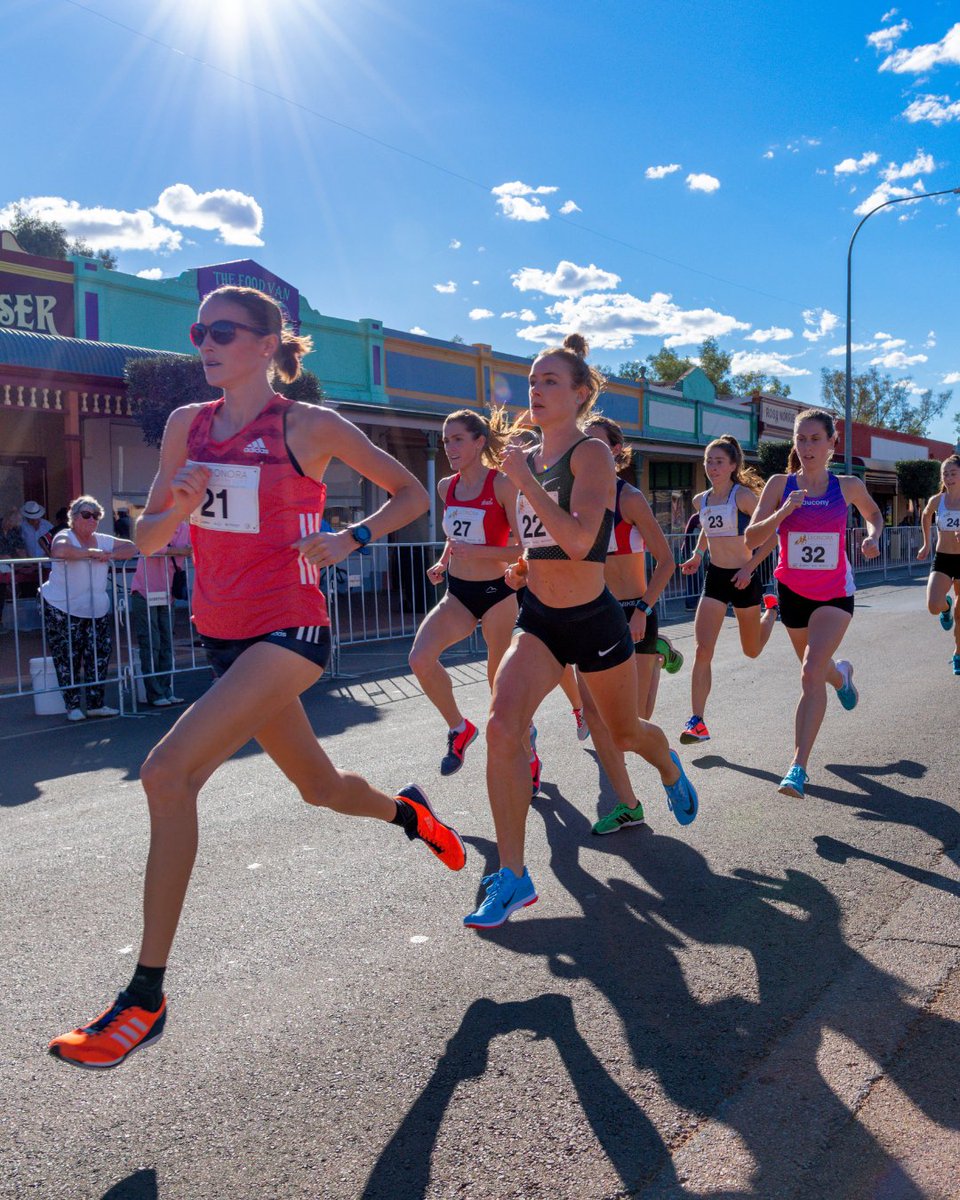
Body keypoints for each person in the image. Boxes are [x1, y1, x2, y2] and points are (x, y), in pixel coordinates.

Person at [49, 285, 465, 1070]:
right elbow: (147, 540)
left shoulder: (308, 425)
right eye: (199, 331)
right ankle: (412, 815)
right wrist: (175, 505)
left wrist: (353, 535)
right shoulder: (186, 425)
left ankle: (144, 997)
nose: (205, 343)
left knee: (167, 774)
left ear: (271, 342)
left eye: (224, 331)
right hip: (221, 634)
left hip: (291, 628)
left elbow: (413, 493)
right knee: (321, 788)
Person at [463, 334, 698, 929]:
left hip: (595, 619)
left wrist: (523, 478)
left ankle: (666, 761)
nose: (536, 390)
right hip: (539, 622)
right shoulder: (529, 463)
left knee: (621, 732)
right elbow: (542, 543)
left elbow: (577, 539)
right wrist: (520, 563)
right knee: (500, 727)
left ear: (580, 395)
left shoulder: (589, 456)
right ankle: (513, 875)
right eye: (533, 380)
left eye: (550, 382)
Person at [745, 408, 883, 798]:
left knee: (808, 672)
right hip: (793, 594)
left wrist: (873, 536)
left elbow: (873, 513)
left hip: (835, 594)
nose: (806, 446)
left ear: (831, 444)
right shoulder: (778, 484)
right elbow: (751, 539)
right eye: (800, 439)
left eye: (814, 439)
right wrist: (785, 510)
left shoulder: (848, 485)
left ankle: (797, 767)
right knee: (819, 670)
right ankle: (842, 676)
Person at [579, 413, 683, 835]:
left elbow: (667, 560)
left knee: (631, 724)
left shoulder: (630, 499)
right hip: (589, 614)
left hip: (633, 612)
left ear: (616, 451)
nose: (585, 452)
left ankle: (658, 651)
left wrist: (642, 609)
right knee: (593, 713)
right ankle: (628, 805)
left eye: (596, 444)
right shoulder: (573, 499)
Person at [409, 408, 527, 777]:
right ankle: (460, 729)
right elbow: (454, 533)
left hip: (497, 593)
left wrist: (482, 553)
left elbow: (526, 549)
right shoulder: (447, 486)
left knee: (499, 689)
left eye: (458, 439)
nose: (450, 446)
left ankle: (528, 752)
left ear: (479, 442)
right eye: (446, 440)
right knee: (419, 659)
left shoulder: (503, 486)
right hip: (458, 592)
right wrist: (444, 561)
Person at [677, 436, 779, 744]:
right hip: (716, 578)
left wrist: (750, 568)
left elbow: (774, 535)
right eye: (708, 461)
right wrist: (697, 554)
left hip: (745, 577)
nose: (712, 467)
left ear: (733, 465)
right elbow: (708, 531)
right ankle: (697, 721)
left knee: (752, 650)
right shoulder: (702, 500)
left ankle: (772, 611)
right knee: (702, 649)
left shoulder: (743, 496)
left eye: (719, 461)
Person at [39, 496, 139, 720]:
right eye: (86, 514)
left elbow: (131, 547)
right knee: (67, 658)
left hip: (96, 609)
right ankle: (72, 706)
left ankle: (95, 704)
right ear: (73, 518)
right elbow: (60, 551)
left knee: (99, 655)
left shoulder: (102, 539)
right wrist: (92, 553)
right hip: (61, 607)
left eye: (96, 515)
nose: (92, 519)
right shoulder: (65, 535)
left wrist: (111, 555)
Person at [128, 521, 192, 706]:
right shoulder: (154, 522)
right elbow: (150, 548)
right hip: (144, 591)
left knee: (166, 643)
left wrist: (178, 551)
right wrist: (180, 551)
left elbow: (192, 549)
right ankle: (155, 694)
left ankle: (166, 690)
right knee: (151, 642)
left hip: (167, 593)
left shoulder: (185, 528)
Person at [917, 453, 960, 675]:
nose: (948, 477)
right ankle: (946, 607)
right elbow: (925, 515)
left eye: (953, 473)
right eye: (945, 474)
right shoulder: (938, 500)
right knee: (933, 605)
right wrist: (926, 544)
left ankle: (958, 653)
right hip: (943, 558)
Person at [0, 507, 28, 631]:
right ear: (7, 521)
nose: (13, 527)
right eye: (12, 524)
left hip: (7, 567)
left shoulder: (15, 530)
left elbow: (20, 547)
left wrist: (26, 561)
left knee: (3, 594)